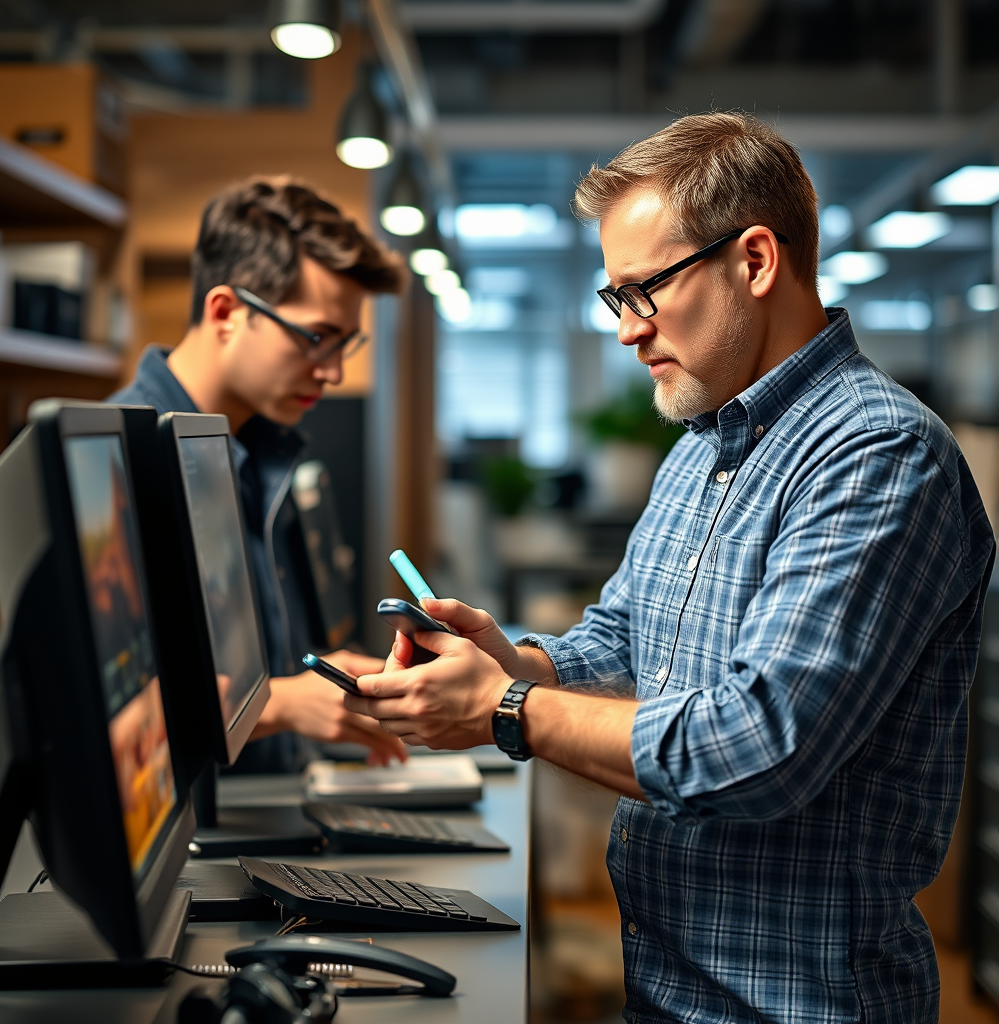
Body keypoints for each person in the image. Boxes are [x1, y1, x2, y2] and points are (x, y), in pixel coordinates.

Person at [345, 112, 996, 1023]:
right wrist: (515, 662)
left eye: (642, 290)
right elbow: (628, 637)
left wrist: (505, 711)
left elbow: (757, 748)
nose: (625, 330)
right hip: (669, 984)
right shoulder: (702, 444)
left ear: (756, 261)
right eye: (615, 300)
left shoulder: (877, 453)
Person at [112, 176, 408, 772]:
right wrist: (278, 704)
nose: (331, 373)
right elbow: (105, 719)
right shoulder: (119, 459)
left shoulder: (255, 451)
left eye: (344, 344)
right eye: (316, 338)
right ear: (225, 313)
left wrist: (324, 679)